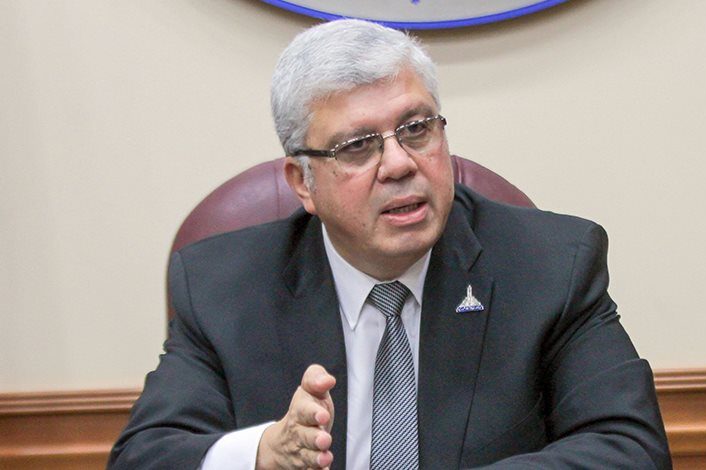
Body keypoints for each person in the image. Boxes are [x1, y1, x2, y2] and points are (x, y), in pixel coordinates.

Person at [109, 19, 671, 469]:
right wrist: (261, 455)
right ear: (303, 183)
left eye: (416, 128)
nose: (400, 164)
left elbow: (630, 449)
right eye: (357, 146)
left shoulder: (552, 265)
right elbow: (144, 456)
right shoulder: (221, 288)